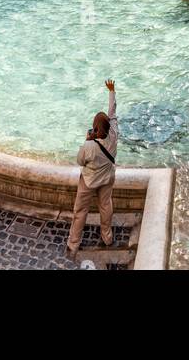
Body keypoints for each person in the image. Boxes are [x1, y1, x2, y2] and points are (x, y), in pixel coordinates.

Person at [67, 79, 119, 257]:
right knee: (106, 205)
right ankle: (107, 237)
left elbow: (80, 161)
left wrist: (87, 141)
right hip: (107, 178)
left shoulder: (89, 146)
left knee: (80, 211)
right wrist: (111, 91)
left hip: (89, 181)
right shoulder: (114, 134)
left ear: (95, 128)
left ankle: (73, 244)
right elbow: (112, 113)